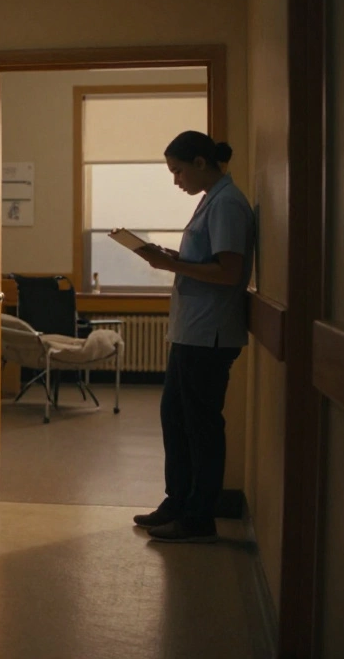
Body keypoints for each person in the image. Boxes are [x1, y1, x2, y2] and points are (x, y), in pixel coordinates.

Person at [131, 131, 255, 543]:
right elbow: (206, 262)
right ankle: (177, 501)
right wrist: (171, 257)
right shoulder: (212, 200)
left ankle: (199, 516)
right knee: (175, 417)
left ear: (202, 163)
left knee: (200, 426)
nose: (176, 180)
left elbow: (229, 272)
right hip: (192, 331)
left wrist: (171, 267)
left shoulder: (228, 205)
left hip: (211, 334)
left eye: (178, 170)